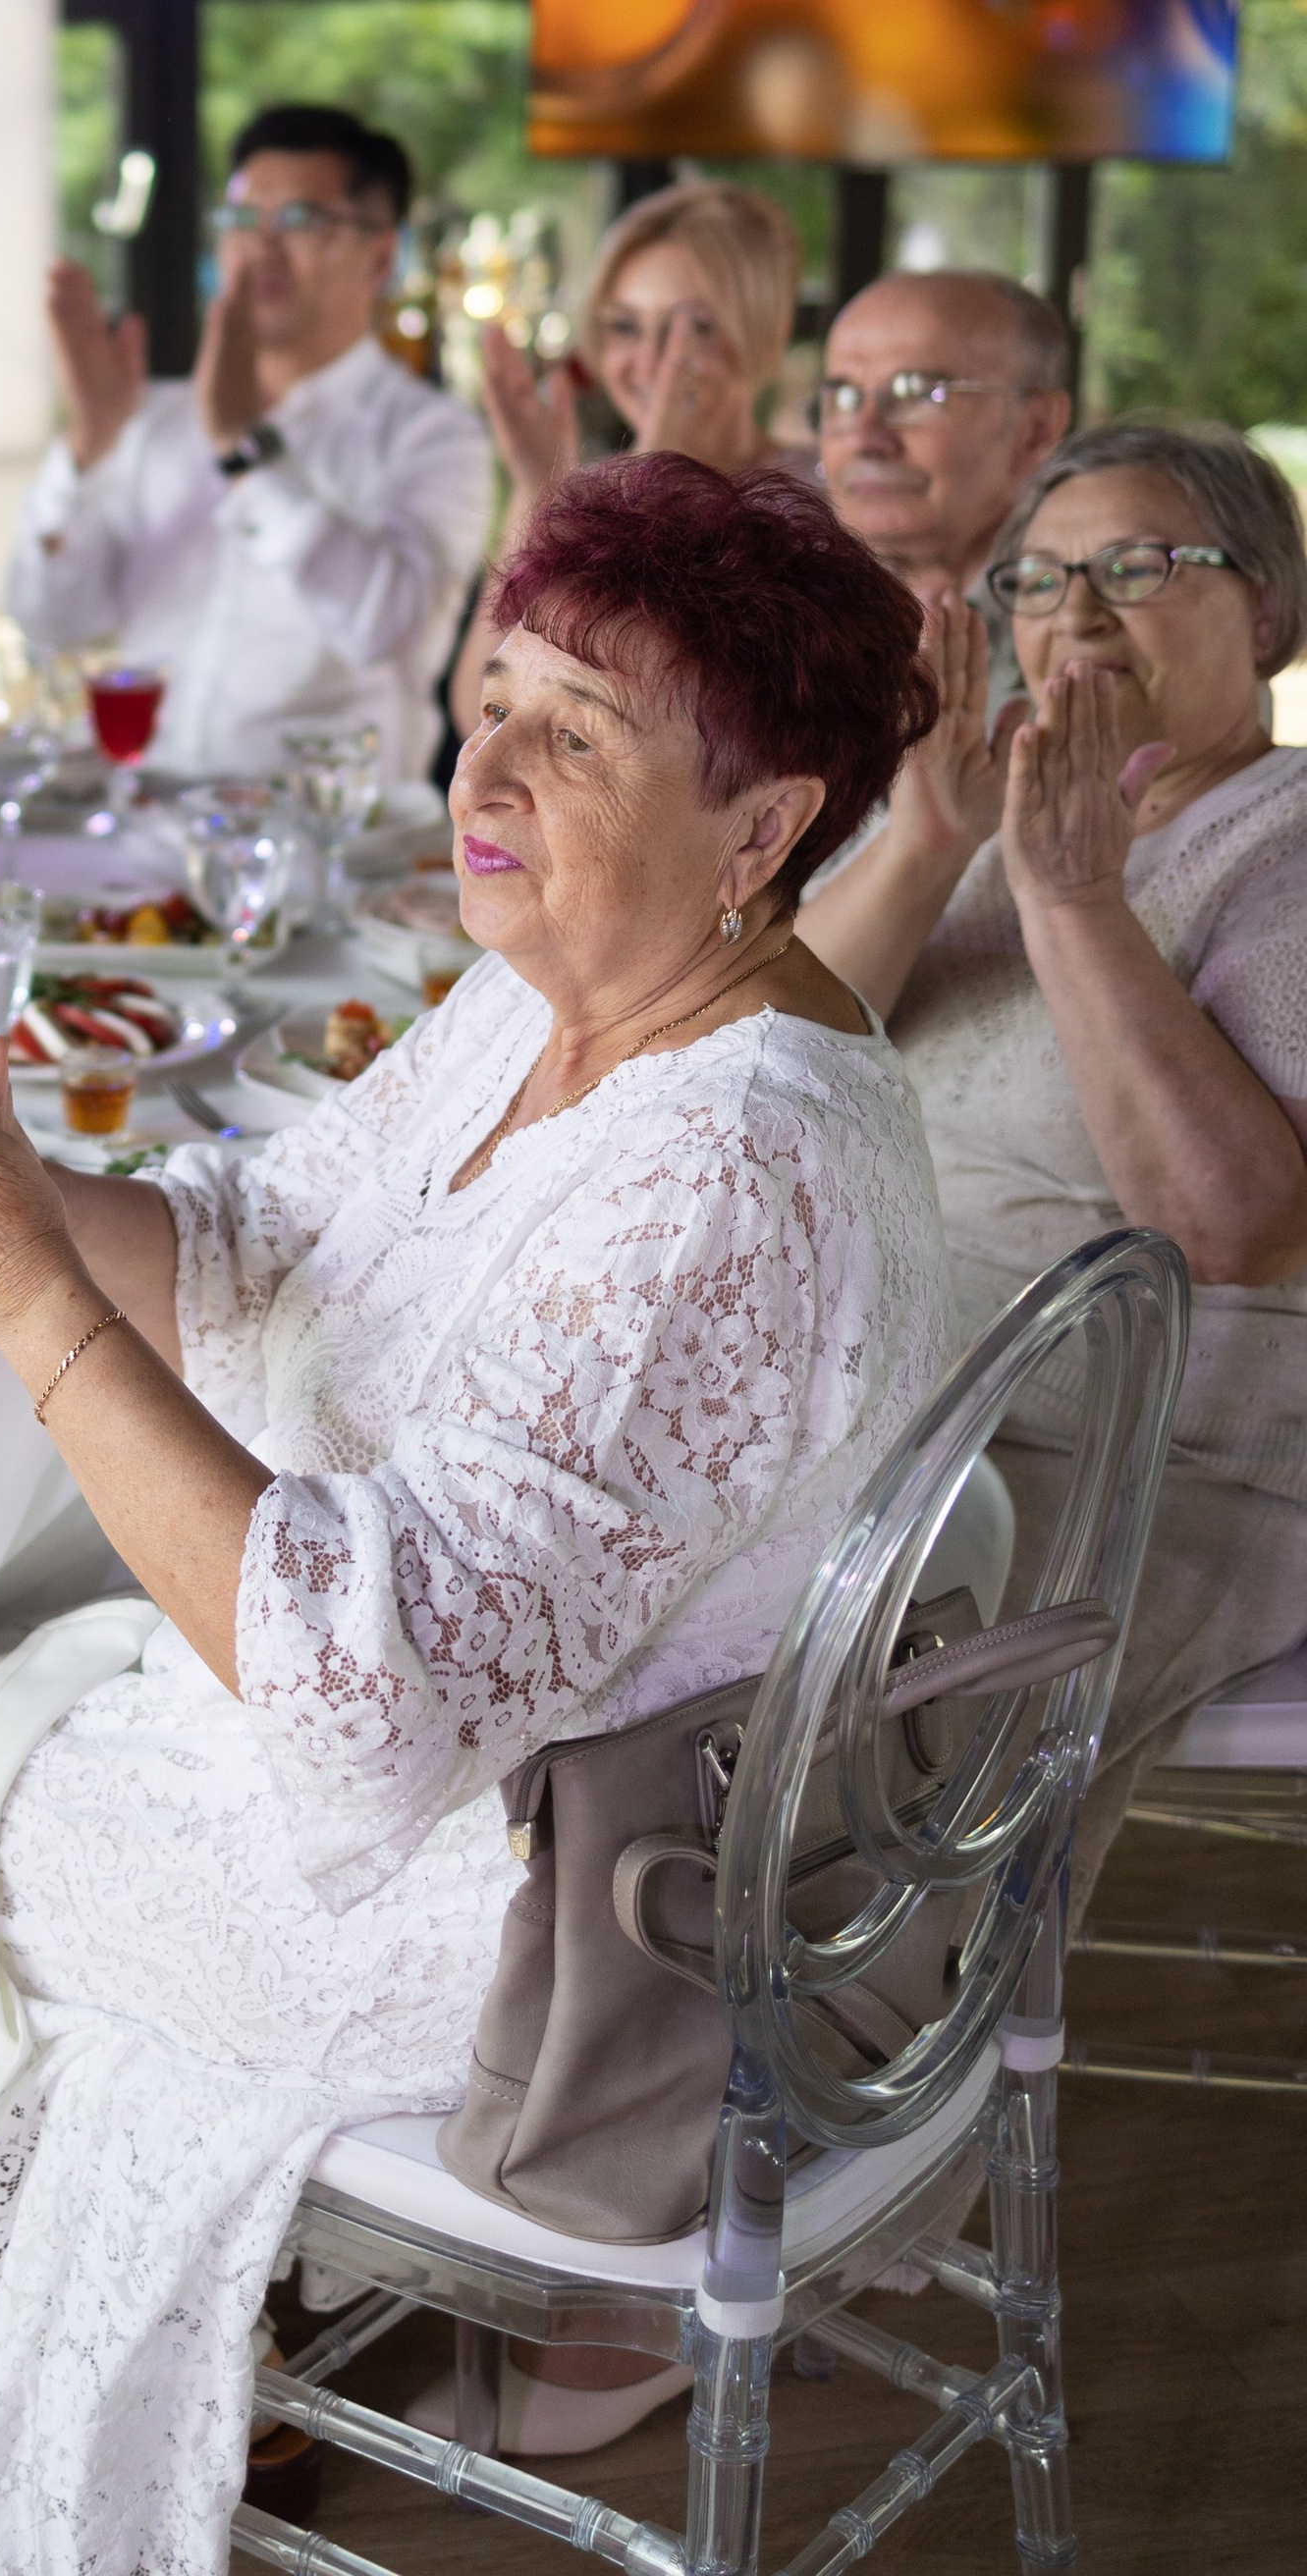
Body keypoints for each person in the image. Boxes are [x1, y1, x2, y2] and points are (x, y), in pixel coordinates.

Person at [0, 455, 951, 2566]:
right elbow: (256, 1236)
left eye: (578, 738)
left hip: (565, 1907)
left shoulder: (724, 1166)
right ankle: (178, 2349)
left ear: (762, 830)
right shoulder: (543, 992)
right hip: (513, 1776)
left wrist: (20, 1298)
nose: (487, 767)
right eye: (493, 697)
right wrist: (0, 1203)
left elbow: (373, 1714)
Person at [799, 415, 1307, 1889]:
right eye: (1038, 577)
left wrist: (1076, 905)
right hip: (863, 1412)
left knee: (788, 1763)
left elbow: (1233, 1228)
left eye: (1137, 567)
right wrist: (920, 845)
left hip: (1120, 1463)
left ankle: (819, 2027)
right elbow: (752, 1056)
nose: (1075, 615)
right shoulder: (996, 805)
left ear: (1265, 610)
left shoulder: (1277, 844)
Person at [7, 106, 489, 783]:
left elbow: (389, 629)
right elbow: (51, 623)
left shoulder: (431, 434)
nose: (261, 248)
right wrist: (87, 447)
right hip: (143, 813)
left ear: (380, 256)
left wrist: (244, 451)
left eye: (299, 221)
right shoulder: (154, 417)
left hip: (329, 828)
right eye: (240, 219)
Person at [449, 178, 807, 736]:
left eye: (694, 327)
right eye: (625, 326)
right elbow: (480, 711)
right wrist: (536, 490)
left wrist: (656, 484)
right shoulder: (590, 492)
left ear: (770, 335)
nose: (650, 360)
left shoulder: (822, 496)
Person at [814, 266, 1074, 619]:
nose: (863, 439)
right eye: (844, 398)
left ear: (1035, 430)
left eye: (917, 394)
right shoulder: (792, 617)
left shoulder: (1081, 621)